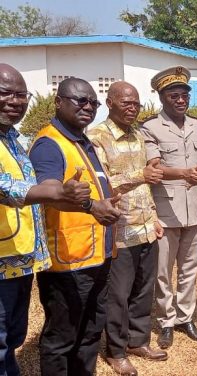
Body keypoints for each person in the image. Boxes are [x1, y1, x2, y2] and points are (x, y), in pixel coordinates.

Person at [0, 64, 91, 376]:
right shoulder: (42, 141)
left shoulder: (15, 139)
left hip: (19, 260)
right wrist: (50, 194)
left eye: (21, 95)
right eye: (5, 93)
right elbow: (5, 186)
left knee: (11, 338)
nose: (15, 101)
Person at [29, 77, 122, 375]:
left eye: (93, 102)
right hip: (68, 262)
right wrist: (91, 206)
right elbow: (52, 192)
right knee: (62, 337)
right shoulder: (49, 144)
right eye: (79, 100)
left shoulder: (83, 141)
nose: (88, 106)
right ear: (58, 102)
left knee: (91, 329)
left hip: (97, 256)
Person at [87, 81, 168, 375]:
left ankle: (139, 340)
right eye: (127, 103)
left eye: (136, 104)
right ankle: (117, 350)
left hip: (145, 226)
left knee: (143, 288)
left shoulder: (138, 134)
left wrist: (155, 217)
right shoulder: (96, 138)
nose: (133, 109)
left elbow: (146, 186)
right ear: (110, 103)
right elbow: (101, 184)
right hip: (119, 229)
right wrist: (140, 174)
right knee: (118, 294)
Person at [140, 66, 197, 349]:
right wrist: (183, 174)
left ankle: (185, 317)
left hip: (194, 208)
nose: (181, 100)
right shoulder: (150, 128)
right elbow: (152, 167)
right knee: (163, 270)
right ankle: (167, 321)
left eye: (184, 95)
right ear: (161, 97)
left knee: (190, 267)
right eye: (174, 95)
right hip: (165, 209)